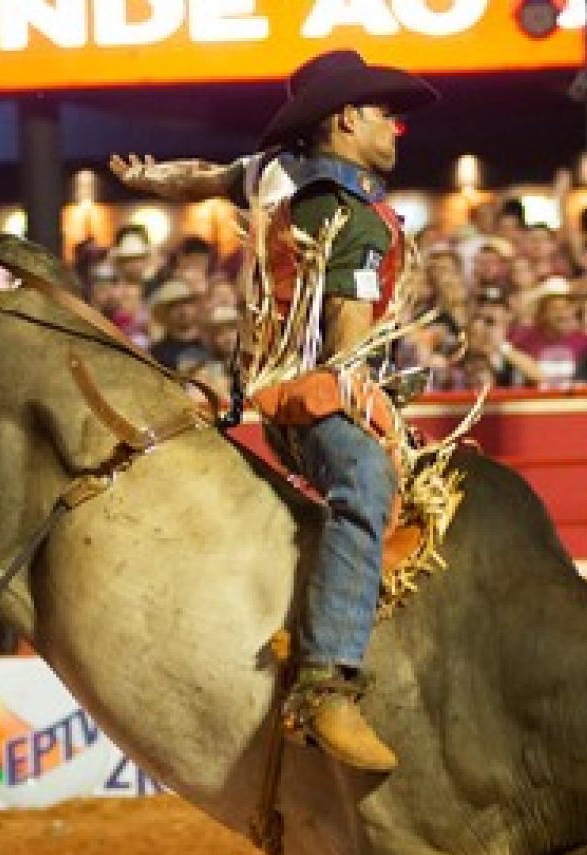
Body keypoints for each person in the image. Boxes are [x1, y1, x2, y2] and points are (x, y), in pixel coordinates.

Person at [109, 50, 438, 772]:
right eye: (388, 115)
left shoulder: (274, 172)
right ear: (348, 119)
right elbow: (347, 340)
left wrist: (149, 178)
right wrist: (366, 407)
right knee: (367, 486)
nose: (396, 129)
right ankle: (327, 678)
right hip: (310, 394)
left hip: (266, 387)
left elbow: (204, 176)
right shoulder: (355, 215)